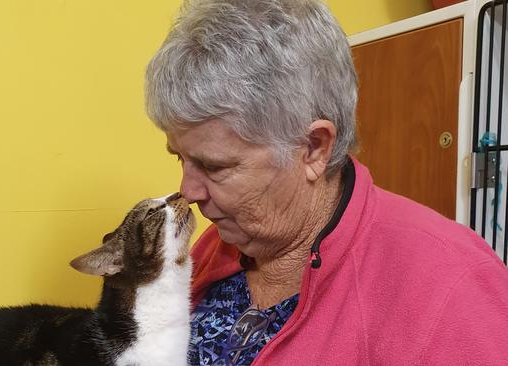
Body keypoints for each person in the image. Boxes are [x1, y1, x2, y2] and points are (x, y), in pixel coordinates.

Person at [144, 0, 508, 365]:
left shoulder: (451, 287)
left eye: (214, 166)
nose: (187, 192)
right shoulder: (219, 243)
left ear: (314, 148)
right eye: (180, 157)